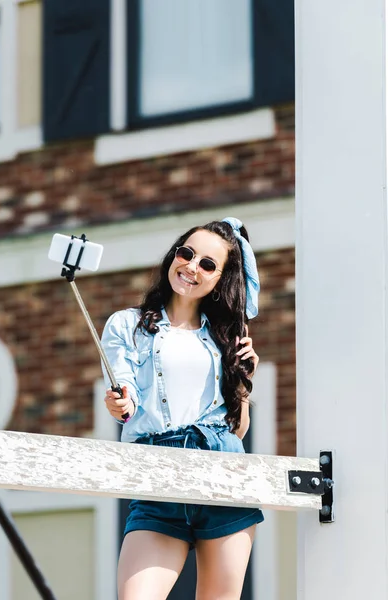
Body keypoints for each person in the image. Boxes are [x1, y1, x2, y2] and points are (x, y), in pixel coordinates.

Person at [101, 217, 264, 600]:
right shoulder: (128, 325)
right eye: (187, 253)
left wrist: (241, 380)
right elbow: (124, 389)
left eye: (208, 264)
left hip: (223, 475)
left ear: (221, 278)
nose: (192, 266)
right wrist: (121, 401)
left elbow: (237, 430)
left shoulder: (226, 337)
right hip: (158, 477)